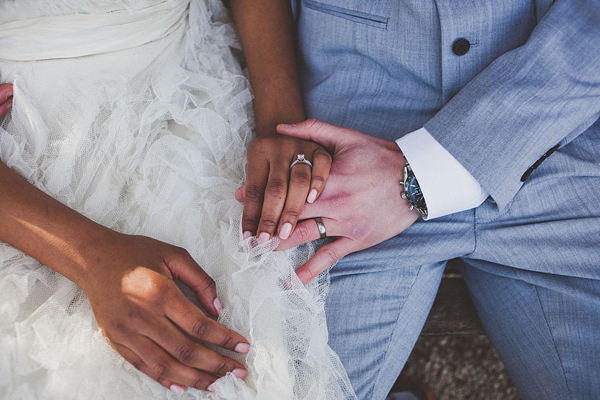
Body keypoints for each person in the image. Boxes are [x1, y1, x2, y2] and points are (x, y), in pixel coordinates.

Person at [236, 0, 600, 399]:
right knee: (287, 386)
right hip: (354, 144)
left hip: (558, 142)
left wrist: (419, 175)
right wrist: (282, 120)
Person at [0, 1, 354, 399]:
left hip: (192, 91)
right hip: (24, 143)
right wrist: (90, 256)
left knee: (241, 349)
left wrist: (281, 122)